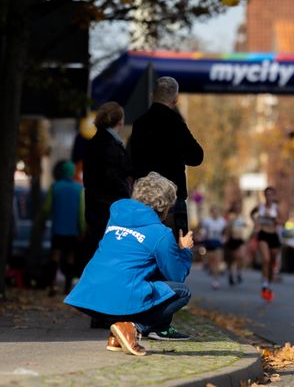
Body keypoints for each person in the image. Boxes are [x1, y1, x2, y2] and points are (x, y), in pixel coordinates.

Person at [64, 172, 194, 356]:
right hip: (120, 296)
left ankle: (116, 337)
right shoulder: (160, 233)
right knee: (182, 291)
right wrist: (185, 250)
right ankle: (133, 328)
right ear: (165, 206)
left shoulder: (116, 215)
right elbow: (177, 276)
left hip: (90, 295)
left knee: (138, 279)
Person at [129, 76, 204, 238]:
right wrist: (178, 156)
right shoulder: (176, 123)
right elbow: (197, 156)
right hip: (172, 198)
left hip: (144, 200)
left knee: (146, 252)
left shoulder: (140, 124)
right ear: (175, 100)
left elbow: (130, 162)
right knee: (174, 251)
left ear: (152, 95)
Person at [82, 101, 131, 265]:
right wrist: (128, 195)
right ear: (120, 121)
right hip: (110, 209)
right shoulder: (111, 145)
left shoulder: (93, 143)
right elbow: (113, 177)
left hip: (94, 206)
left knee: (96, 252)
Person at [44, 161, 85, 296]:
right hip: (73, 230)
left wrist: (44, 220)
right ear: (72, 172)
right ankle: (67, 288)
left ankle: (52, 284)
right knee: (70, 258)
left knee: (55, 256)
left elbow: (47, 208)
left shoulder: (55, 187)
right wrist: (82, 229)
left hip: (58, 228)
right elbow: (81, 212)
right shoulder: (79, 189)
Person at [251, 187, 282, 302]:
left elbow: (282, 221)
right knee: (266, 259)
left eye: (271, 194)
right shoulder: (260, 207)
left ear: (274, 196)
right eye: (267, 194)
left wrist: (274, 219)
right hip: (263, 234)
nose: (269, 197)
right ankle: (264, 283)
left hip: (273, 235)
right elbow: (252, 214)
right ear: (265, 196)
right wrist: (256, 223)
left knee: (272, 261)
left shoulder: (276, 208)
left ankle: (268, 281)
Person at [199, 206, 227, 289]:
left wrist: (225, 238)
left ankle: (216, 281)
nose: (215, 213)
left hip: (218, 242)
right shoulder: (207, 221)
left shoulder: (222, 221)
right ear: (211, 212)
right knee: (211, 261)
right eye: (214, 212)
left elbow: (225, 231)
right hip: (209, 243)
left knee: (217, 262)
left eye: (217, 211)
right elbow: (202, 229)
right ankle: (210, 269)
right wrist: (202, 235)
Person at [224, 200, 247, 286]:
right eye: (236, 206)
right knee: (231, 259)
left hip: (240, 239)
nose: (238, 208)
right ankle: (230, 275)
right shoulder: (230, 216)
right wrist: (226, 237)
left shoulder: (242, 216)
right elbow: (227, 228)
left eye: (239, 206)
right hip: (231, 239)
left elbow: (245, 225)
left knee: (240, 257)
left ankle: (238, 273)